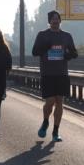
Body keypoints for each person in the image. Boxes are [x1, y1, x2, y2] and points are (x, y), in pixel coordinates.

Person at [31, 10, 78, 142]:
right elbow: (34, 52)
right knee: (50, 101)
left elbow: (74, 53)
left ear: (60, 21)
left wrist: (69, 55)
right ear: (49, 21)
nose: (55, 21)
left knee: (59, 101)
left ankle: (55, 132)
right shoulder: (42, 35)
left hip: (62, 73)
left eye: (57, 19)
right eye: (53, 19)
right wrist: (45, 47)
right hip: (47, 73)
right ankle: (45, 121)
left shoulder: (66, 36)